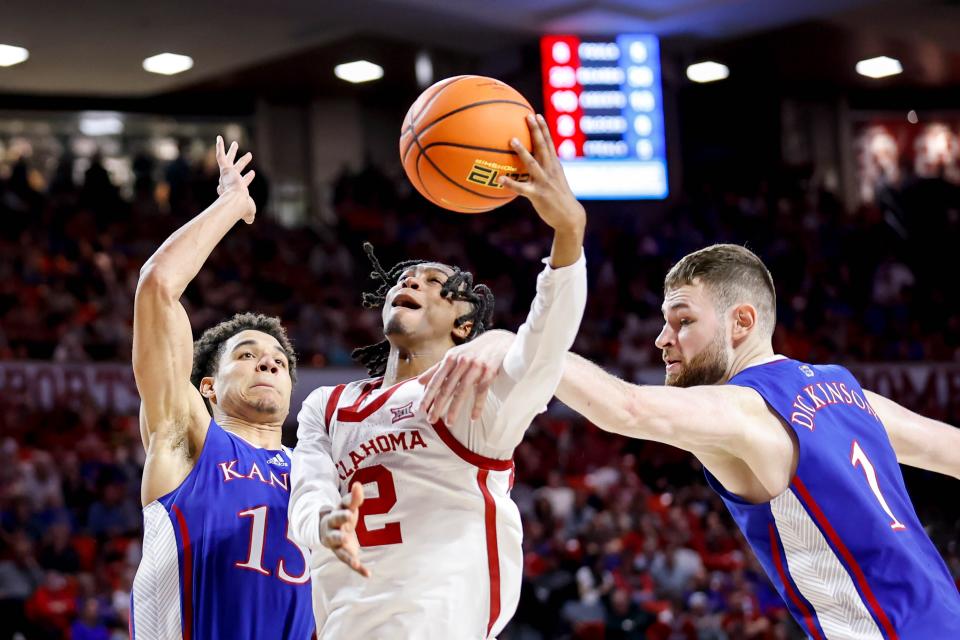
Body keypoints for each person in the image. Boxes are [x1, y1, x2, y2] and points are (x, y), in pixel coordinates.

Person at [422, 243, 960, 638]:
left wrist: (514, 343)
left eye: (682, 321)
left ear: (741, 322)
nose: (662, 339)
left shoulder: (744, 407)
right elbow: (947, 449)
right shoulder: (847, 388)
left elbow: (623, 407)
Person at [288, 114, 588, 639]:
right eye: (405, 277)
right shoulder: (327, 406)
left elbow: (544, 346)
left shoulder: (475, 395)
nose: (411, 280)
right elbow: (306, 491)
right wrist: (321, 523)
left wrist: (568, 234)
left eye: (434, 282)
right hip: (344, 624)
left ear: (464, 324)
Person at [130, 137, 313, 639]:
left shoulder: (318, 471)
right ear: (207, 385)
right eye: (248, 355)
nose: (269, 365)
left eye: (279, 361)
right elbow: (158, 285)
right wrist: (232, 203)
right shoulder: (187, 437)